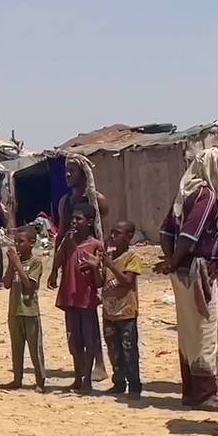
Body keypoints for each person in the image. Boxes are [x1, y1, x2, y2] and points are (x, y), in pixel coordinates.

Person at [158, 147, 218, 409]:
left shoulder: (185, 192)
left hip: (182, 271)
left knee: (188, 332)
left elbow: (165, 232)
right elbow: (190, 235)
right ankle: (204, 393)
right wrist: (175, 261)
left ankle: (190, 391)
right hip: (197, 270)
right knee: (203, 330)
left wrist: (170, 262)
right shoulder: (207, 196)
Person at [49, 154, 110, 381]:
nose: (67, 175)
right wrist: (55, 267)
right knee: (73, 315)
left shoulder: (97, 200)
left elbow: (102, 229)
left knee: (90, 314)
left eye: (71, 171)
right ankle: (80, 366)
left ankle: (99, 363)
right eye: (66, 171)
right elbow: (62, 233)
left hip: (90, 261)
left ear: (83, 173)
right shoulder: (65, 202)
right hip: (71, 260)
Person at [56, 203, 103, 392]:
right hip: (70, 297)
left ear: (89, 222)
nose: (74, 222)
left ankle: (87, 379)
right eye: (72, 219)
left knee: (89, 339)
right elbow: (59, 260)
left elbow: (100, 281)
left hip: (87, 299)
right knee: (73, 340)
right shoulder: (69, 241)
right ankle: (77, 377)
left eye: (78, 219)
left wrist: (94, 267)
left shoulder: (96, 246)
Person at [100, 220, 146, 396]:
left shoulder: (132, 258)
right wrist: (96, 266)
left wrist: (110, 265)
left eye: (117, 233)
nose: (112, 236)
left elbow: (127, 282)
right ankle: (118, 382)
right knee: (113, 350)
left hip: (126, 313)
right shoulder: (108, 257)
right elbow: (100, 281)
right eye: (112, 232)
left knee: (129, 351)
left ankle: (134, 385)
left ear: (129, 236)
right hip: (109, 312)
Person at [2, 225, 46, 392]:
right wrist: (11, 265)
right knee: (17, 347)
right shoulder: (15, 263)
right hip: (14, 310)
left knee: (35, 348)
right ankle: (17, 379)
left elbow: (28, 286)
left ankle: (40, 380)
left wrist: (17, 264)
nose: (17, 245)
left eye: (20, 242)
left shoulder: (36, 263)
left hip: (29, 311)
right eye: (16, 241)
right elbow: (6, 284)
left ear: (32, 243)